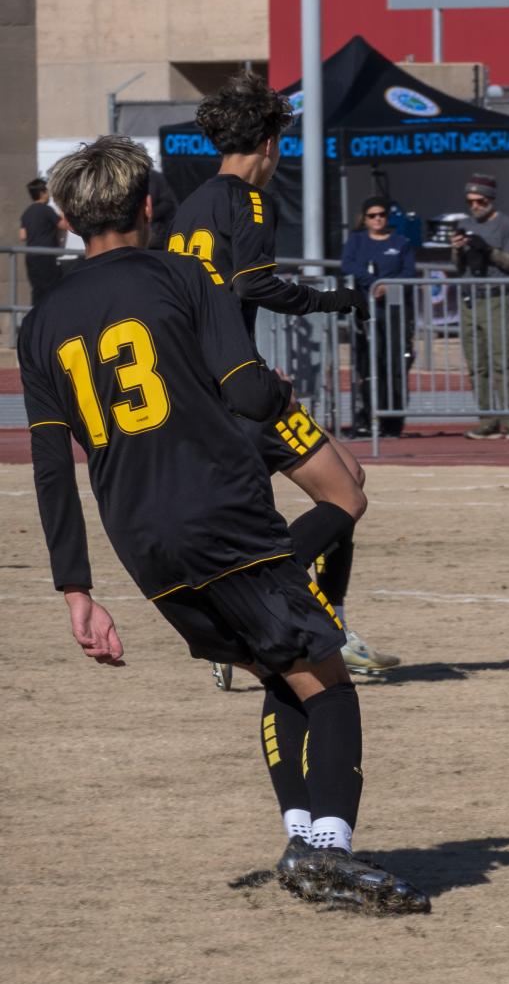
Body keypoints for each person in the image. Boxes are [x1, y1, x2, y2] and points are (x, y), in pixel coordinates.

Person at [20, 137, 427, 911]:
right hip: (218, 508)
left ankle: (303, 836)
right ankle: (330, 853)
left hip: (140, 542)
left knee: (285, 672)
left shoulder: (39, 326)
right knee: (331, 685)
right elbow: (243, 389)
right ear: (148, 206)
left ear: (69, 221)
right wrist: (277, 401)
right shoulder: (182, 274)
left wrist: (76, 588)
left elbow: (50, 467)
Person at [170, 72, 395, 679]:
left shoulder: (190, 205)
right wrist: (332, 300)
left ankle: (329, 622)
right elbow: (254, 284)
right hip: (239, 388)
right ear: (269, 143)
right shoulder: (251, 201)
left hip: (208, 384)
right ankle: (244, 615)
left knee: (348, 476)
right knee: (346, 495)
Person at [450, 173, 509, 440]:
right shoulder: (464, 223)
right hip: (470, 298)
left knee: (502, 361)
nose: (475, 206)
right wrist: (457, 249)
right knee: (476, 364)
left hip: (495, 298)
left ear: (490, 199)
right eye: (470, 201)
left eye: (480, 201)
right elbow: (456, 268)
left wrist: (488, 250)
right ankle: (487, 419)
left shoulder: (506, 224)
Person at [340, 196, 418, 437]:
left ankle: (393, 420)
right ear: (364, 218)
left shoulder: (401, 242)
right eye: (372, 215)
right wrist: (373, 283)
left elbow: (409, 272)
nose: (377, 219)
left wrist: (388, 285)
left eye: (381, 215)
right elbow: (348, 264)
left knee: (395, 365)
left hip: (395, 312)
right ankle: (366, 418)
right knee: (368, 365)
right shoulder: (356, 241)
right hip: (366, 310)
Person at [19, 177, 70, 307]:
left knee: (37, 291)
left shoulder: (27, 212)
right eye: (47, 191)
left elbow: (22, 235)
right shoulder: (46, 210)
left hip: (31, 257)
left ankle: (35, 322)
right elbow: (63, 225)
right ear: (42, 193)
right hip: (45, 256)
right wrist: (63, 210)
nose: (49, 194)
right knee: (51, 290)